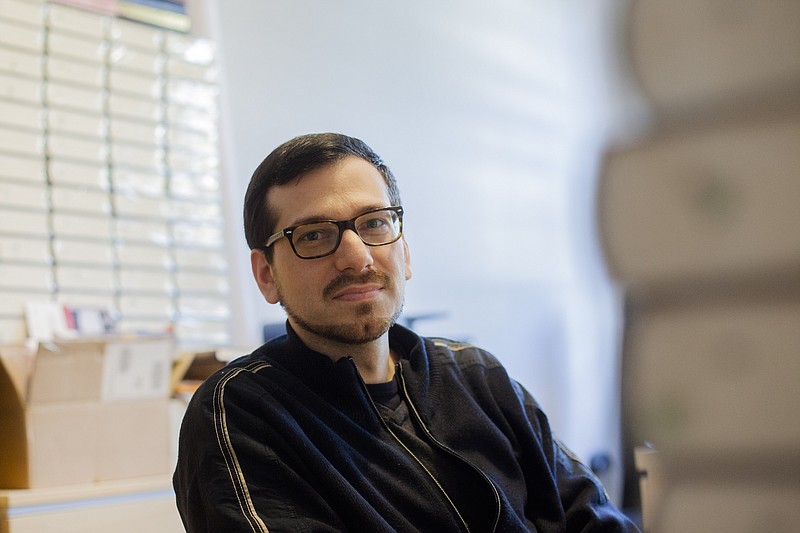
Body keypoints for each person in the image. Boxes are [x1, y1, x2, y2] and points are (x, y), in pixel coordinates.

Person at [173, 132, 639, 532]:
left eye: (374, 223)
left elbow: (595, 517)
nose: (357, 258)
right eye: (313, 235)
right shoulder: (242, 413)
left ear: (405, 250)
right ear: (266, 275)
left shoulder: (477, 378)